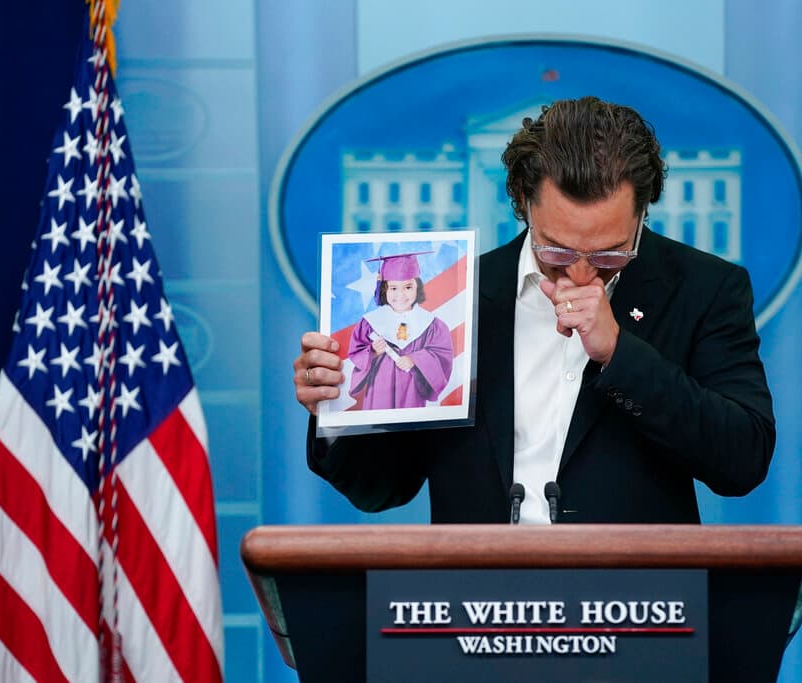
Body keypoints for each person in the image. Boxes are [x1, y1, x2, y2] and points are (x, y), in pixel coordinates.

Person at [293, 96, 775, 524]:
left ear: (643, 213)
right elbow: (381, 488)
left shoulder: (705, 287)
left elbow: (742, 460)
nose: (584, 275)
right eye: (559, 252)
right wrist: (335, 410)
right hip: (477, 602)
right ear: (524, 202)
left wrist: (620, 355)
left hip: (640, 604)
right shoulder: (456, 301)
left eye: (610, 256)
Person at [346, 252, 454, 410]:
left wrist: (416, 359)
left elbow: (442, 356)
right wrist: (373, 351)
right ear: (384, 289)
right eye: (393, 288)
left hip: (412, 391)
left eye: (408, 287)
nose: (401, 295)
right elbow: (356, 353)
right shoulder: (369, 323)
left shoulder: (432, 325)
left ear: (418, 287)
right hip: (379, 390)